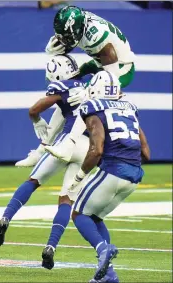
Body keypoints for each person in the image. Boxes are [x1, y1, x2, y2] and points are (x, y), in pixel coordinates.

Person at [0, 55, 94, 269]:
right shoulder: (87, 87)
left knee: (33, 181)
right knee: (66, 200)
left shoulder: (62, 86)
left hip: (66, 143)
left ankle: (5, 219)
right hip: (86, 149)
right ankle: (50, 247)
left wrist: (36, 119)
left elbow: (34, 109)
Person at [67, 70, 150, 283]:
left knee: (78, 214)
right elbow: (146, 152)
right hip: (134, 174)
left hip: (114, 168)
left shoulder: (92, 107)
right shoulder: (130, 108)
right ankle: (109, 275)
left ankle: (103, 249)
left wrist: (78, 177)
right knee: (95, 217)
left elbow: (97, 149)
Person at [44, 5, 136, 162]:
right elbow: (71, 38)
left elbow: (111, 74)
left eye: (66, 36)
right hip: (101, 62)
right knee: (67, 92)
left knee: (82, 100)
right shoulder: (79, 24)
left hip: (120, 69)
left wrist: (91, 92)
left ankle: (68, 145)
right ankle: (43, 146)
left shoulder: (97, 37)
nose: (63, 40)